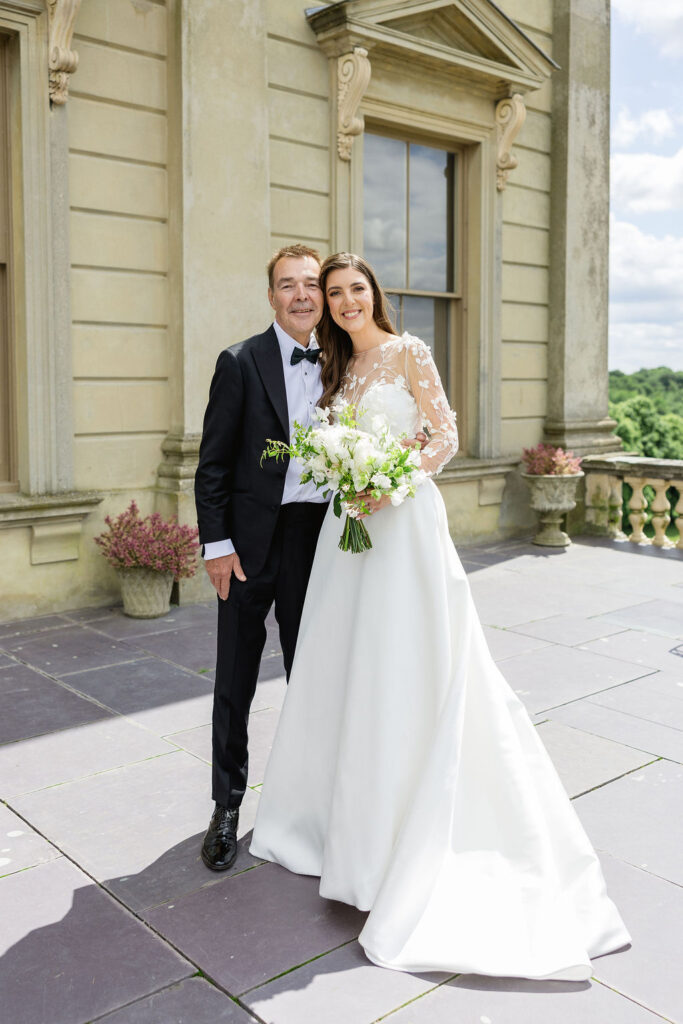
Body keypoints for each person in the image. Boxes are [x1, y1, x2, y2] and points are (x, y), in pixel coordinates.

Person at [249, 252, 631, 980]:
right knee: (345, 665)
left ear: (373, 295)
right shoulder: (338, 371)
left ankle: (414, 829)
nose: (344, 301)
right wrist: (348, 482)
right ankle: (339, 828)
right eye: (333, 294)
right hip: (348, 529)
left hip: (402, 525)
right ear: (325, 307)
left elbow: (443, 436)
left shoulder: (407, 351)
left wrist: (388, 482)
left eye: (354, 289)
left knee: (409, 661)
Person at [194, 244, 328, 870]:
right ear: (271, 296)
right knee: (236, 681)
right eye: (288, 284)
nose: (302, 294)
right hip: (247, 548)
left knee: (313, 679)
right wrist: (217, 546)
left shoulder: (346, 363)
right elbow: (214, 464)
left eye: (311, 283)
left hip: (317, 541)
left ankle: (312, 807)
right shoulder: (239, 362)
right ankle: (226, 807)